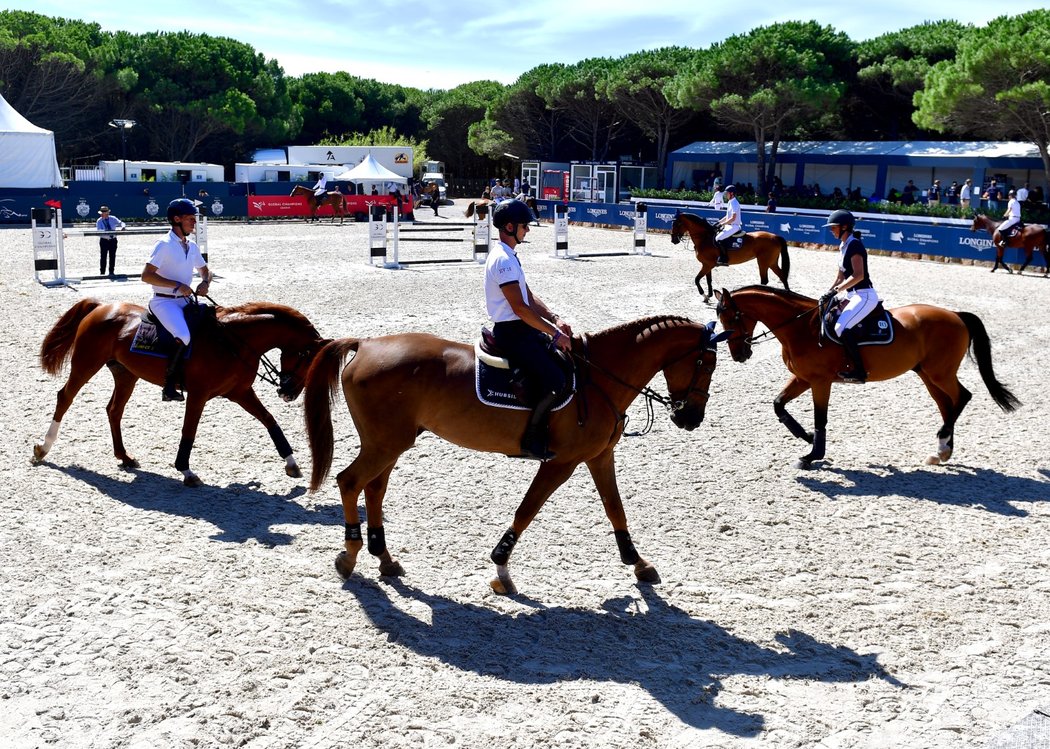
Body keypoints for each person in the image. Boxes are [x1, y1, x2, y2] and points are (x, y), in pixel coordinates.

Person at [484, 199, 573, 461]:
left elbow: (529, 297)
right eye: (525, 226)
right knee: (556, 381)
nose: (528, 230)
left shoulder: (509, 256)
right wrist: (555, 335)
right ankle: (532, 438)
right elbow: (521, 309)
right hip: (513, 333)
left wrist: (554, 320)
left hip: (522, 329)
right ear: (509, 227)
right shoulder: (502, 261)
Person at [140, 199, 212, 402]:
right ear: (177, 219)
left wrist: (205, 283)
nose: (194, 223)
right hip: (164, 302)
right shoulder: (163, 245)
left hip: (185, 300)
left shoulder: (192, 246)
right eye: (190, 219)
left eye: (194, 219)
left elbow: (205, 271)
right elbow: (146, 275)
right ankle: (169, 384)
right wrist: (177, 285)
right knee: (183, 334)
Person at [820, 209, 879, 384]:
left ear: (844, 227)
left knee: (840, 327)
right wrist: (828, 292)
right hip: (851, 294)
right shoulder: (843, 246)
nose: (831, 230)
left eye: (834, 227)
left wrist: (837, 290)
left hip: (864, 295)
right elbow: (840, 276)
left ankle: (859, 371)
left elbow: (859, 275)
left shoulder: (855, 245)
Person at [714, 184, 742, 266]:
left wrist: (722, 224)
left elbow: (733, 218)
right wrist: (719, 223)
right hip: (730, 225)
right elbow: (727, 216)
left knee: (718, 238)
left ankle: (724, 258)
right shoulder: (730, 202)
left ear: (732, 194)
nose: (726, 195)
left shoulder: (735, 203)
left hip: (734, 226)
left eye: (727, 193)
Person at [95, 205, 126, 276]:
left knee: (112, 256)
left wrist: (123, 227)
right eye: (101, 213)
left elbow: (121, 222)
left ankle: (111, 271)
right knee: (103, 256)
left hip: (113, 240)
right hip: (104, 240)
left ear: (107, 213)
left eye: (104, 213)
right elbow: (99, 231)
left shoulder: (113, 218)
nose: (102, 214)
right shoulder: (99, 221)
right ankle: (102, 272)